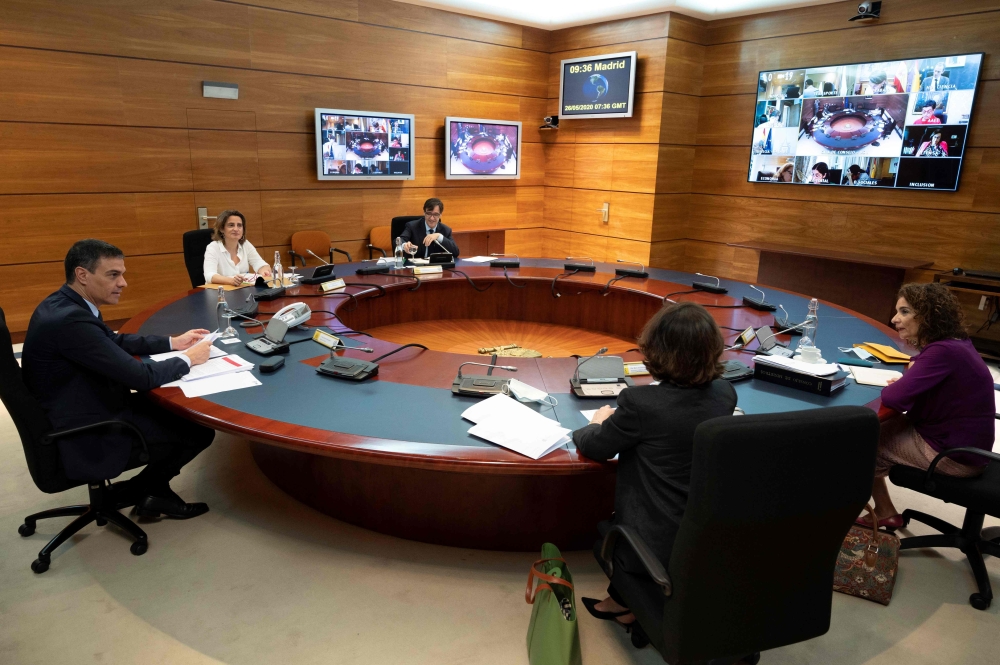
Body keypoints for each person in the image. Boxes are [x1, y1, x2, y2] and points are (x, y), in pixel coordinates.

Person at [22, 240, 217, 518]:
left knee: (176, 413)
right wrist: (189, 358)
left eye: (122, 274)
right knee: (197, 430)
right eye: (113, 275)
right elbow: (140, 377)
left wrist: (173, 342)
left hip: (77, 401)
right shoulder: (71, 321)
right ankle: (147, 491)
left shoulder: (65, 303)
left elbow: (112, 340)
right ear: (82, 275)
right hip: (86, 424)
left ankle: (146, 491)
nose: (123, 283)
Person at [575, 302, 737, 634]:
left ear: (657, 353)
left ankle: (626, 601)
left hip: (657, 538)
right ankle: (623, 603)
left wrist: (596, 422)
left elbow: (596, 446)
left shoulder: (641, 404)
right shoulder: (724, 393)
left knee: (609, 534)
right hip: (709, 531)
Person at [861, 283, 995, 530]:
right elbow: (920, 370)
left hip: (952, 456)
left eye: (904, 312)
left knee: (858, 443)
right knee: (870, 431)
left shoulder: (942, 352)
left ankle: (844, 518)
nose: (894, 319)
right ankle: (885, 511)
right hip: (969, 447)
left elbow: (894, 398)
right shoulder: (956, 343)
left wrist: (902, 385)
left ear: (927, 315)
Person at [203, 210, 272, 286]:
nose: (236, 229)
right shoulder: (213, 247)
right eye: (231, 225)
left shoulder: (245, 244)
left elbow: (259, 263)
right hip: (219, 293)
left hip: (241, 290)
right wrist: (231, 281)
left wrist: (264, 270)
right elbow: (209, 276)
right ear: (222, 229)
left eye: (239, 225)